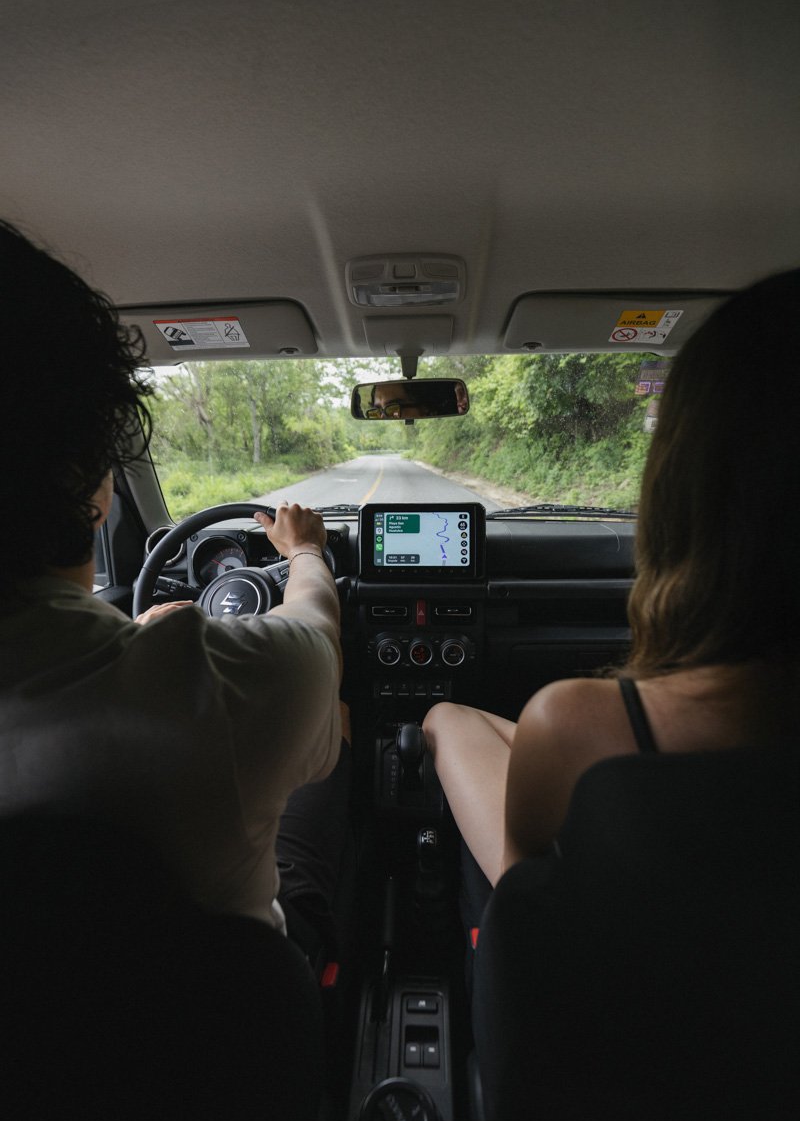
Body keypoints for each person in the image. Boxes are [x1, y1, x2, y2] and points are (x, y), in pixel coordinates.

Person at [0, 218, 351, 951]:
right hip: (223, 1034)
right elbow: (315, 627)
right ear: (96, 488)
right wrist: (305, 553)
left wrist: (141, 639)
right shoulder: (224, 687)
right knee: (333, 739)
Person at [423, 267, 800, 908]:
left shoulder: (578, 724)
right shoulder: (579, 732)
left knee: (444, 717)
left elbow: (527, 901)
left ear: (687, 490)